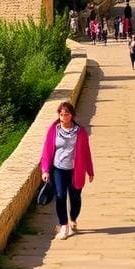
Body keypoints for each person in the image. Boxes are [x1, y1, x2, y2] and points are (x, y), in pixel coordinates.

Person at [40, 101, 95, 240]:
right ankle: (64, 226)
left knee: (75, 198)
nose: (64, 117)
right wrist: (45, 170)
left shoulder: (80, 132)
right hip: (58, 169)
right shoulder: (54, 130)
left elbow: (86, 152)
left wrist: (90, 170)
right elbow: (46, 151)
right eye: (61, 114)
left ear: (72, 115)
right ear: (59, 115)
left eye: (67, 114)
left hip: (76, 170)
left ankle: (73, 218)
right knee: (60, 196)